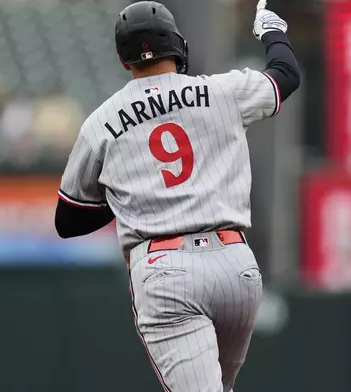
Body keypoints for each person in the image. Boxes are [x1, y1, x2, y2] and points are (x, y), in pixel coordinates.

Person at [55, 1, 299, 391]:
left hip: (165, 269)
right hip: (236, 265)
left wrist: (131, 192)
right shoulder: (221, 90)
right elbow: (285, 76)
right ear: (177, 45)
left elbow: (68, 220)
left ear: (124, 60)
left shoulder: (101, 121)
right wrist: (272, 29)